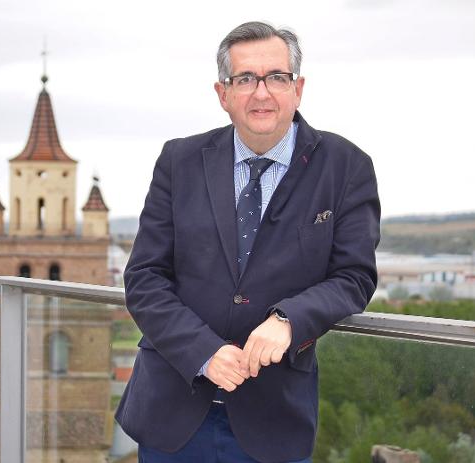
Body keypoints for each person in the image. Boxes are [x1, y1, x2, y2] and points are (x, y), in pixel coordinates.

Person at [116, 21, 380, 463]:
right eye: (245, 79)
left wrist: (289, 319)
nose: (262, 93)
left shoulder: (347, 167)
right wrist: (203, 352)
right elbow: (144, 278)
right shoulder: (178, 161)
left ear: (298, 88)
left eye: (276, 77)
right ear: (224, 94)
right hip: (172, 412)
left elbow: (354, 277)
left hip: (274, 421)